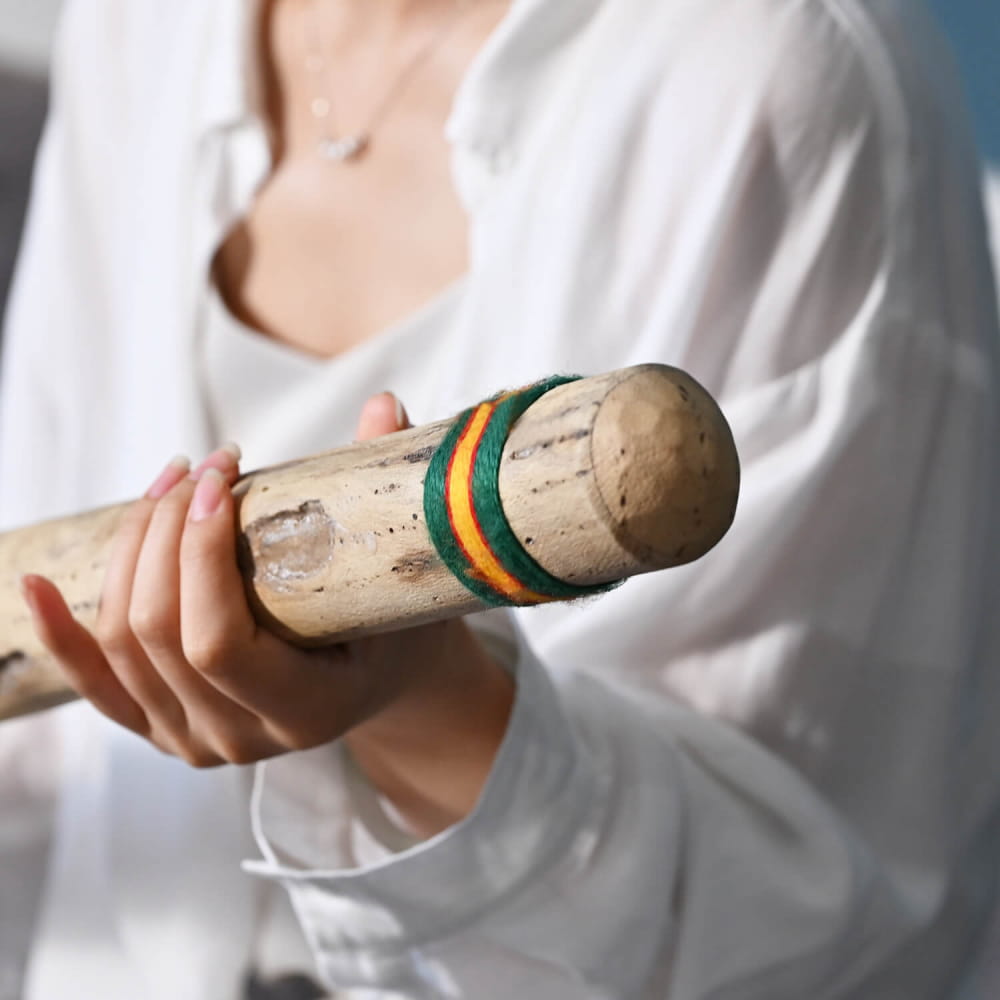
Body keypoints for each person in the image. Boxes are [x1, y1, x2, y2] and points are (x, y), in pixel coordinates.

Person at [1, 0, 998, 997]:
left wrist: (415, 696)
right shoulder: (140, 22)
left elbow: (826, 920)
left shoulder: (778, 74)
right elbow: (46, 749)